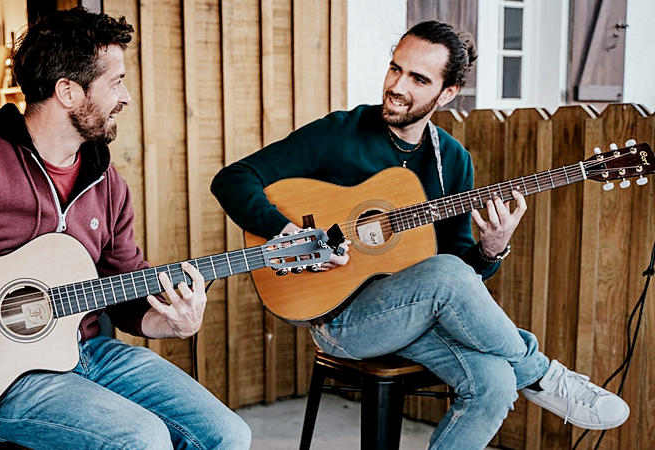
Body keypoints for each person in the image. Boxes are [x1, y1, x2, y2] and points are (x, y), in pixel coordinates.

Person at [211, 20, 628, 450]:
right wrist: (289, 233)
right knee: (448, 279)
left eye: (417, 78)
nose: (396, 85)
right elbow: (234, 179)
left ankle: (523, 374)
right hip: (340, 319)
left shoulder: (452, 160)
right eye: (396, 68)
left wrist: (491, 249)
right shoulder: (340, 133)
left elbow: (460, 278)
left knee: (496, 382)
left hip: (415, 314)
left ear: (446, 94)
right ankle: (541, 374)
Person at [0, 8, 250, 449]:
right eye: (115, 81)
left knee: (228, 434)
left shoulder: (106, 181)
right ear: (68, 91)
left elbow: (123, 283)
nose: (127, 96)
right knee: (140, 440)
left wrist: (167, 321)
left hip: (84, 352)